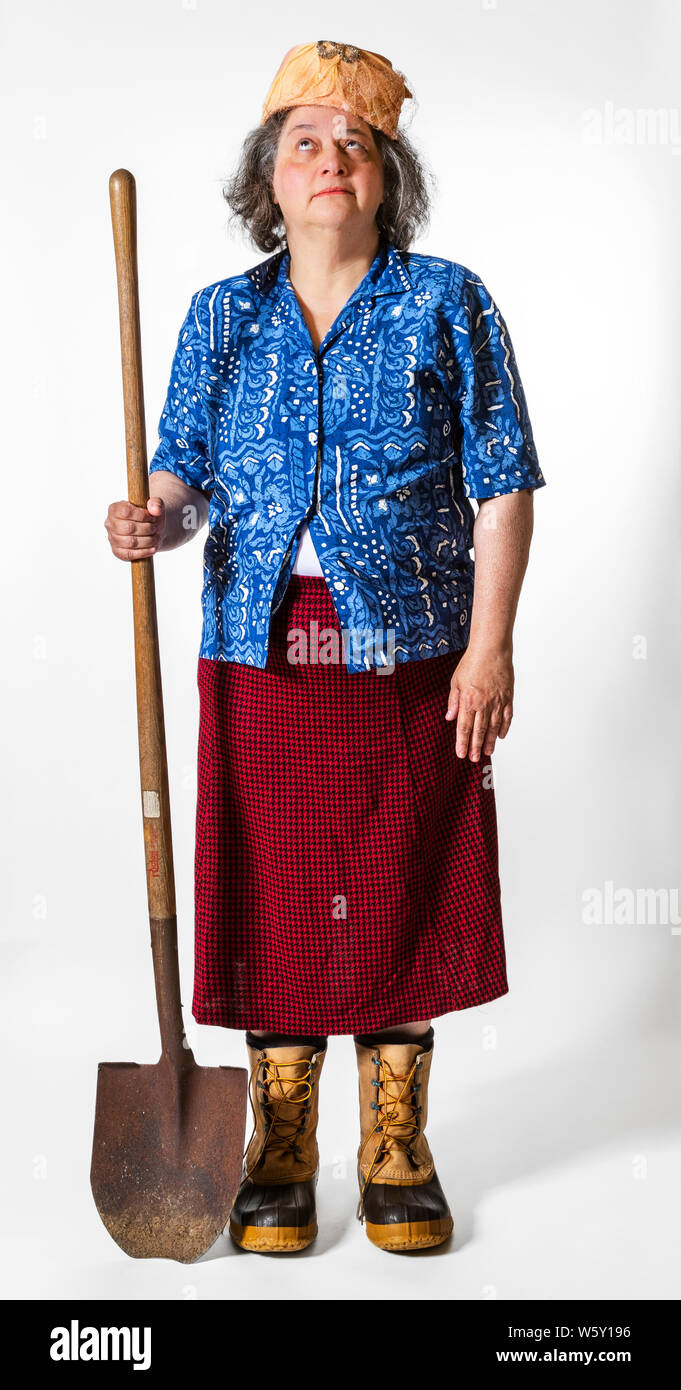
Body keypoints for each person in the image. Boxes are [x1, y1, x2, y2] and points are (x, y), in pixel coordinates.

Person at [104, 39, 546, 1256]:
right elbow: (187, 484)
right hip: (260, 645)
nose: (331, 158)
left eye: (356, 142)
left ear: (387, 176)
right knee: (271, 888)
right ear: (272, 175)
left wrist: (490, 650)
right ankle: (280, 1143)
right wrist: (159, 514)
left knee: (400, 881)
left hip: (410, 651)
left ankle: (396, 1143)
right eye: (306, 140)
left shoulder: (449, 301)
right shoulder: (218, 316)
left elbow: (504, 489)